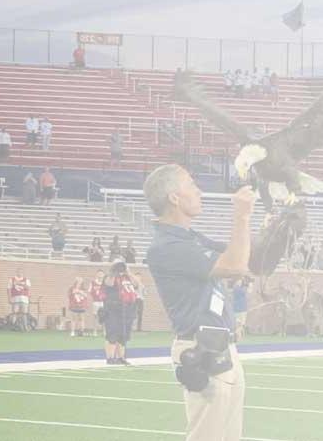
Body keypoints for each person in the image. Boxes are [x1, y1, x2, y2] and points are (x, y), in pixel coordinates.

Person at [143, 164, 258, 441]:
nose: (199, 191)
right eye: (192, 185)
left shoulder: (189, 238)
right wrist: (241, 217)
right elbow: (235, 264)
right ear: (174, 197)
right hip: (202, 349)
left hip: (221, 345)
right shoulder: (167, 246)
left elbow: (247, 259)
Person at [102, 261, 138, 365]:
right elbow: (109, 283)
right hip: (113, 308)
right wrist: (113, 272)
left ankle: (121, 357)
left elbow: (137, 284)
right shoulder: (109, 276)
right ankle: (110, 357)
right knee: (112, 333)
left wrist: (128, 272)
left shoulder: (127, 278)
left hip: (127, 309)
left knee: (123, 335)